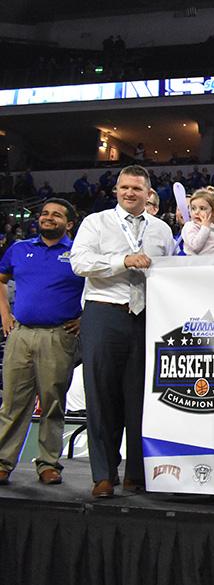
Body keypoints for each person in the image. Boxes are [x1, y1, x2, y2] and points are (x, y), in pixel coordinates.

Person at [70, 165, 176, 498]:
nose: (130, 193)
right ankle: (103, 474)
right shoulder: (96, 222)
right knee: (101, 396)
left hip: (146, 318)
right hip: (104, 313)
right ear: (116, 190)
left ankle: (136, 473)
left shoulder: (160, 230)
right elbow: (79, 262)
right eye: (124, 188)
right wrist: (123, 261)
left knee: (141, 397)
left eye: (137, 189)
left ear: (149, 194)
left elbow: (171, 273)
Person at [0, 199, 85, 486]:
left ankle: (48, 464)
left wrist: (84, 319)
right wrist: (4, 314)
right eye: (45, 213)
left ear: (69, 224)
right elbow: (0, 279)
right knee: (12, 403)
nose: (48, 218)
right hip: (20, 334)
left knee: (52, 403)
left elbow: (100, 288)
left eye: (56, 215)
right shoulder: (19, 249)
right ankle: (2, 462)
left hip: (58, 336)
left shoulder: (78, 253)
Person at [180, 189, 214, 256]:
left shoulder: (213, 226)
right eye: (193, 208)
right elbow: (195, 247)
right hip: (196, 263)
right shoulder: (189, 226)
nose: (196, 212)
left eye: (202, 208)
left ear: (213, 212)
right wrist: (205, 228)